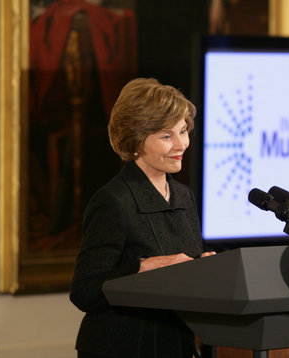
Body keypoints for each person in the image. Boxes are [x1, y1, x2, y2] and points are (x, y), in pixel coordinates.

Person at [70, 78, 215, 358]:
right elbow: (84, 291)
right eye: (166, 136)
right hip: (123, 347)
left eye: (183, 131)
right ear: (136, 140)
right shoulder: (113, 201)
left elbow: (179, 276)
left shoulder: (183, 196)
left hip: (177, 344)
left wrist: (204, 270)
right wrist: (142, 268)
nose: (180, 144)